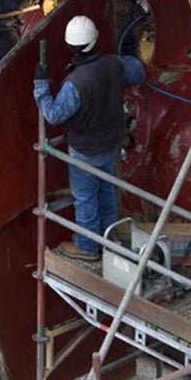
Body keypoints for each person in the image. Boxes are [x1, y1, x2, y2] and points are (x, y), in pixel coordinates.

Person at [33, 15, 145, 261]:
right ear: (95, 40)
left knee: (85, 199)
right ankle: (109, 239)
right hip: (111, 143)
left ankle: (86, 247)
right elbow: (138, 71)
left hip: (86, 149)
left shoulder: (76, 83)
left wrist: (41, 86)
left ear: (71, 46)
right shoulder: (114, 65)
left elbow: (53, 114)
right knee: (106, 193)